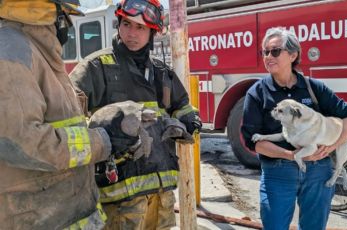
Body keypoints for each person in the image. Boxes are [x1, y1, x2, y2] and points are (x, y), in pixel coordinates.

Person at [70, 0, 202, 229]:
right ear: (118, 24)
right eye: (127, 24)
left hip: (161, 195)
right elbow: (67, 119)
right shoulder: (96, 67)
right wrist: (104, 128)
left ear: (152, 32)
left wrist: (188, 122)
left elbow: (183, 108)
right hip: (118, 198)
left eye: (140, 28)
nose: (132, 33)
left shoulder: (162, 72)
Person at [0, 0, 117, 229]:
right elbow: (23, 144)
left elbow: (65, 126)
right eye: (66, 15)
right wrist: (102, 142)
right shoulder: (11, 51)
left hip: (65, 213)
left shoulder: (40, 52)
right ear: (52, 13)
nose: (68, 24)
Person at [241, 27, 347, 230]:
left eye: (275, 51)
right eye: (265, 52)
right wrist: (291, 155)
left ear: (293, 55)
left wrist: (330, 147)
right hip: (277, 174)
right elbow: (255, 142)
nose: (268, 56)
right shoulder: (257, 93)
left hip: (318, 172)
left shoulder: (314, 88)